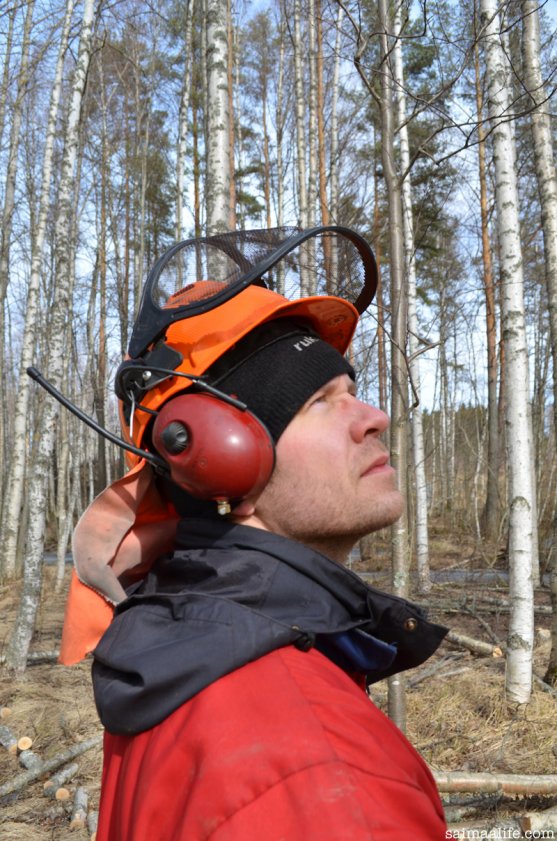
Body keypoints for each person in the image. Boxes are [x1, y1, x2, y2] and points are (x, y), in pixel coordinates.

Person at [59, 227, 448, 841]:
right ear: (221, 456)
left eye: (353, 391)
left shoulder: (179, 649)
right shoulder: (322, 781)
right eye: (320, 400)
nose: (375, 417)